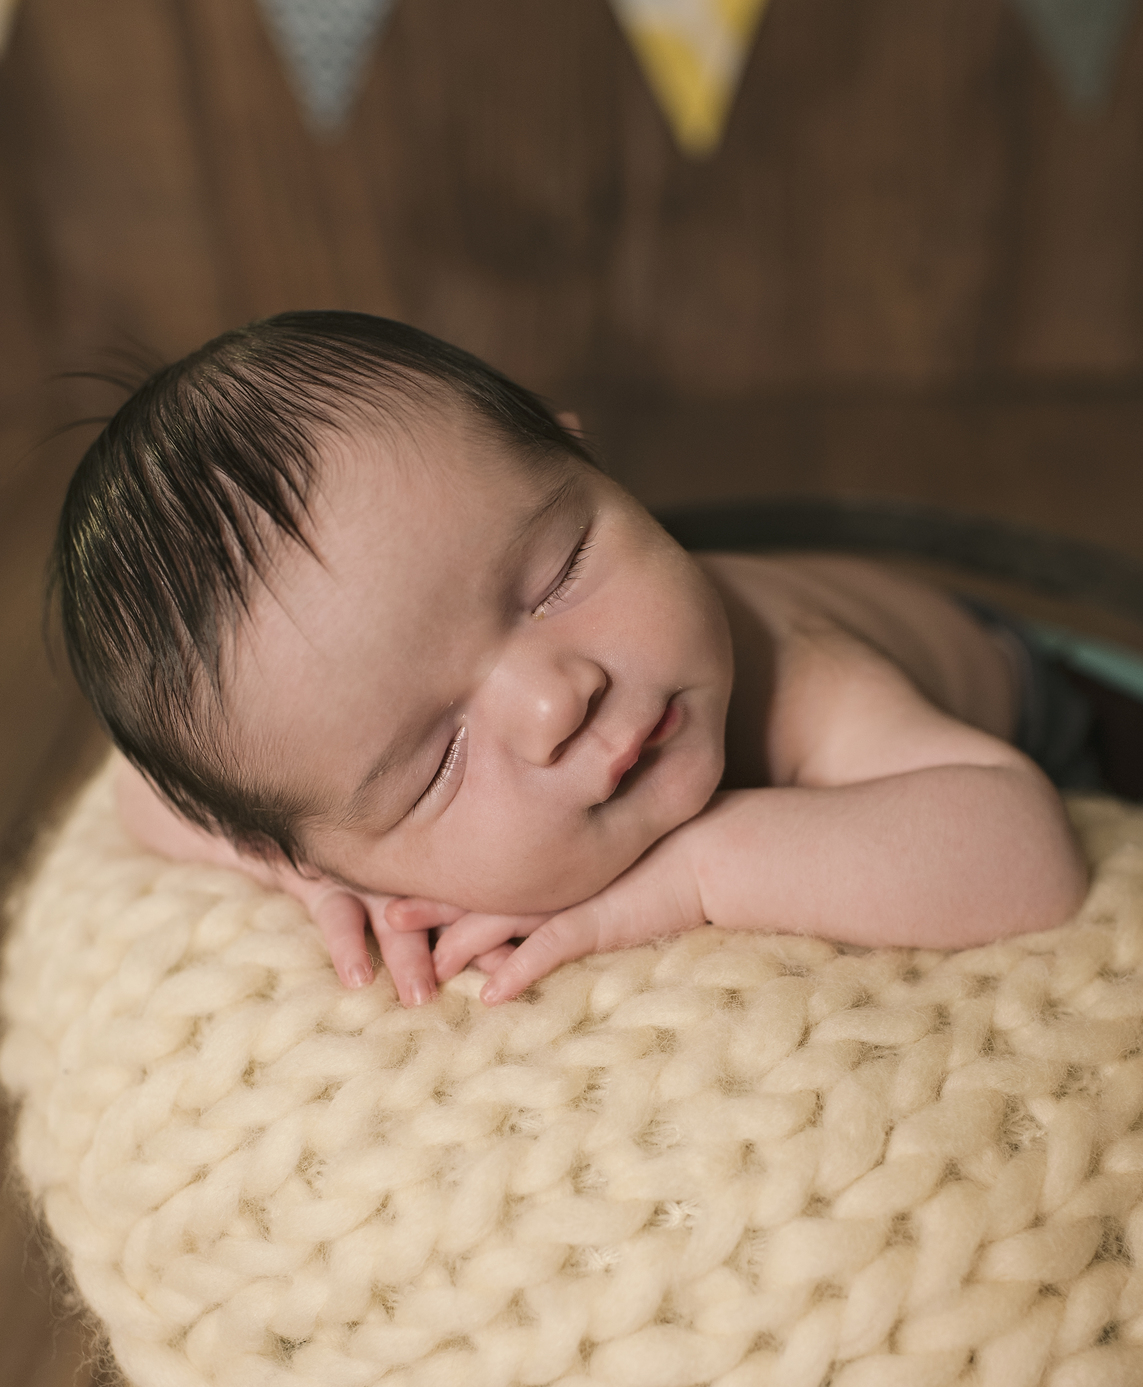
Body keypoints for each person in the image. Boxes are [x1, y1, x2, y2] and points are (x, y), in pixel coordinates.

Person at [53, 311, 1089, 1009]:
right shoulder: (322, 825)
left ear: (586, 458)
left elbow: (1024, 852)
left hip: (1020, 692)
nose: (556, 699)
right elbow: (150, 797)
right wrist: (307, 876)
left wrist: (702, 870)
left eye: (558, 573)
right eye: (435, 762)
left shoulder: (802, 680)